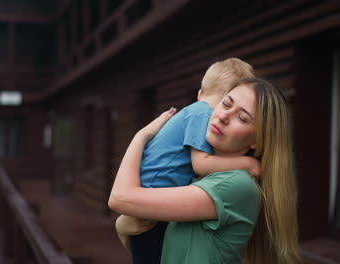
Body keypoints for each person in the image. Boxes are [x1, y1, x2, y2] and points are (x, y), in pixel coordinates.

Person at [109, 77, 301, 263]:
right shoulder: (200, 177)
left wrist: (141, 137)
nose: (224, 116)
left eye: (241, 118)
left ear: (256, 143)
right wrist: (126, 226)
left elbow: (120, 198)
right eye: (226, 104)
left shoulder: (236, 184)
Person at [117, 58, 257, 263]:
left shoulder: (196, 111)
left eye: (241, 116)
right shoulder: (202, 112)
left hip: (153, 193)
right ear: (200, 97)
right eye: (224, 104)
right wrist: (248, 164)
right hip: (155, 193)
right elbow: (201, 164)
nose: (219, 117)